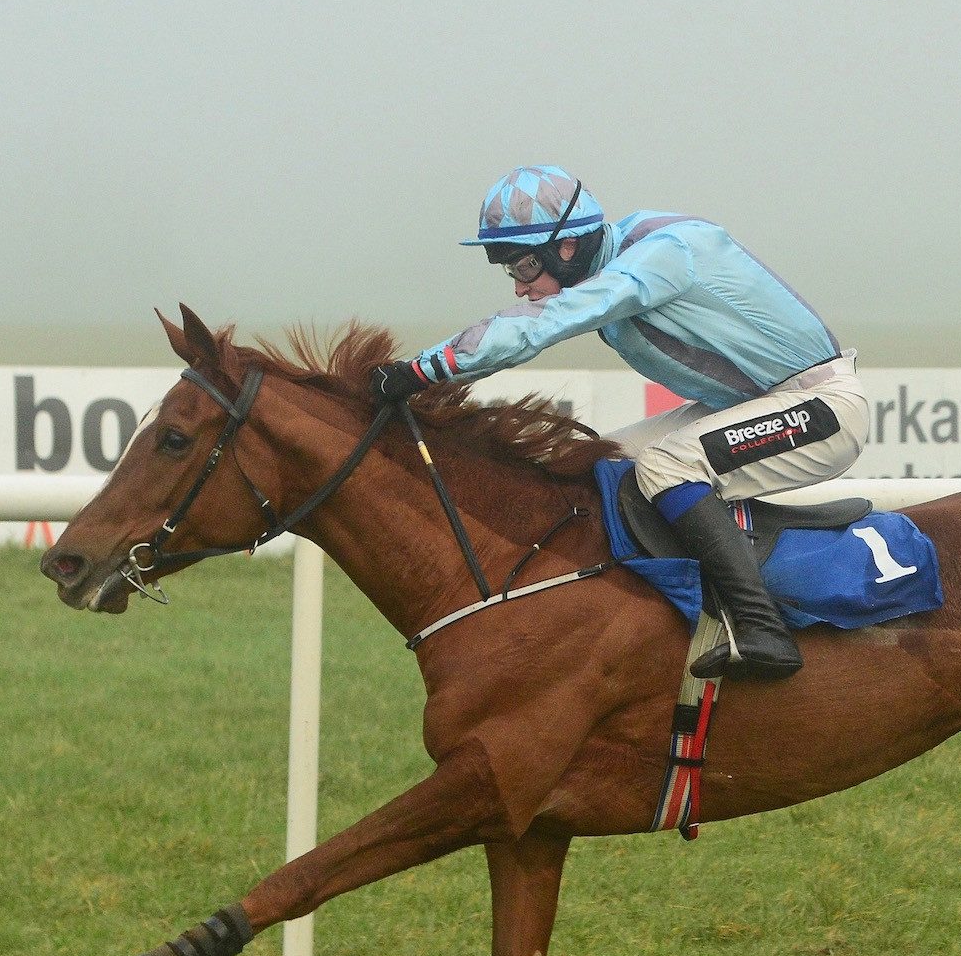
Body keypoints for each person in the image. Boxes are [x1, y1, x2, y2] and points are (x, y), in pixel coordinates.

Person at [369, 165, 868, 680]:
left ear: (567, 248)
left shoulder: (662, 252)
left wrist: (424, 369)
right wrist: (424, 378)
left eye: (523, 267)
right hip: (749, 406)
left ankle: (763, 628)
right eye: (510, 272)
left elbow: (545, 324)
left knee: (666, 467)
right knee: (599, 463)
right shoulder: (613, 264)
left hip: (822, 409)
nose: (520, 288)